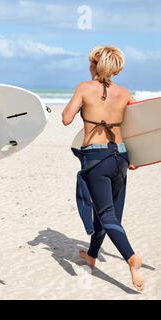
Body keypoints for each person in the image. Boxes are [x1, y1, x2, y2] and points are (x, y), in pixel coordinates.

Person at [62, 46, 143, 291]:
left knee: (106, 214)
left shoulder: (84, 88)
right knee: (108, 214)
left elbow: (66, 118)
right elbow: (141, 126)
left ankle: (131, 258)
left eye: (90, 63)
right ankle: (92, 255)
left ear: (96, 65)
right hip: (120, 157)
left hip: (96, 159)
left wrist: (86, 109)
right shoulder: (126, 93)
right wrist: (136, 157)